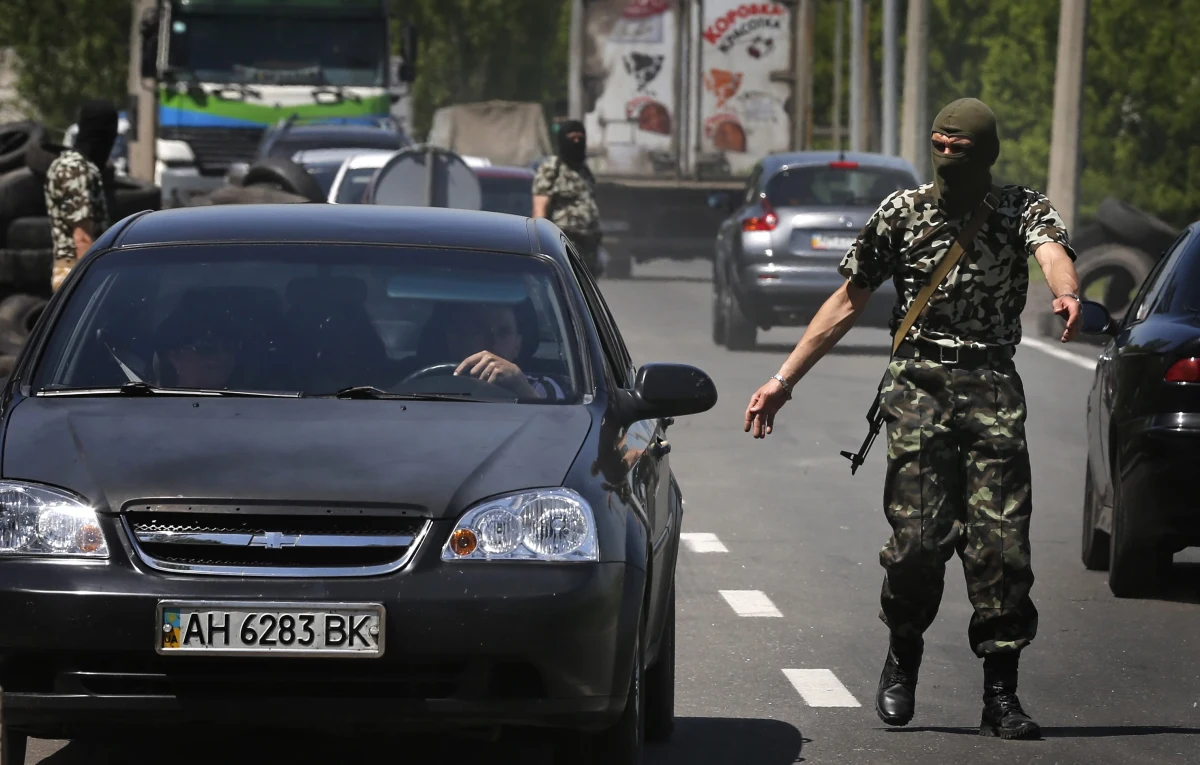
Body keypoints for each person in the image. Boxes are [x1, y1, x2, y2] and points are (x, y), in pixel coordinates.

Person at [742, 98, 1085, 741]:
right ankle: (904, 652)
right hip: (919, 391)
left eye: (961, 146)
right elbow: (849, 298)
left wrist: (1066, 293)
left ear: (986, 153)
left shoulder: (1019, 207)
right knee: (918, 545)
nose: (949, 155)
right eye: (941, 143)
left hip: (992, 391)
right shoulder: (902, 213)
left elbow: (1051, 251)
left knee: (1002, 550)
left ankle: (1001, 695)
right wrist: (784, 380)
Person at [44, 100, 119, 292]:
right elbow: (82, 238)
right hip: (77, 272)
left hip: (73, 271)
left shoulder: (66, 164)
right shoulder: (75, 169)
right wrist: (94, 286)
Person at [444, 301, 566, 400]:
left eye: (503, 332)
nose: (493, 340)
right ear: (454, 342)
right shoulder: (434, 387)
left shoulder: (543, 388)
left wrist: (523, 390)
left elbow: (555, 425)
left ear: (517, 346)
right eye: (479, 330)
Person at [532, 119, 603, 276]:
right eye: (572, 138)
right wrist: (540, 246)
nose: (577, 142)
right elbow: (539, 210)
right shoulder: (551, 169)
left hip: (589, 245)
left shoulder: (584, 171)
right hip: (565, 243)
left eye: (580, 137)